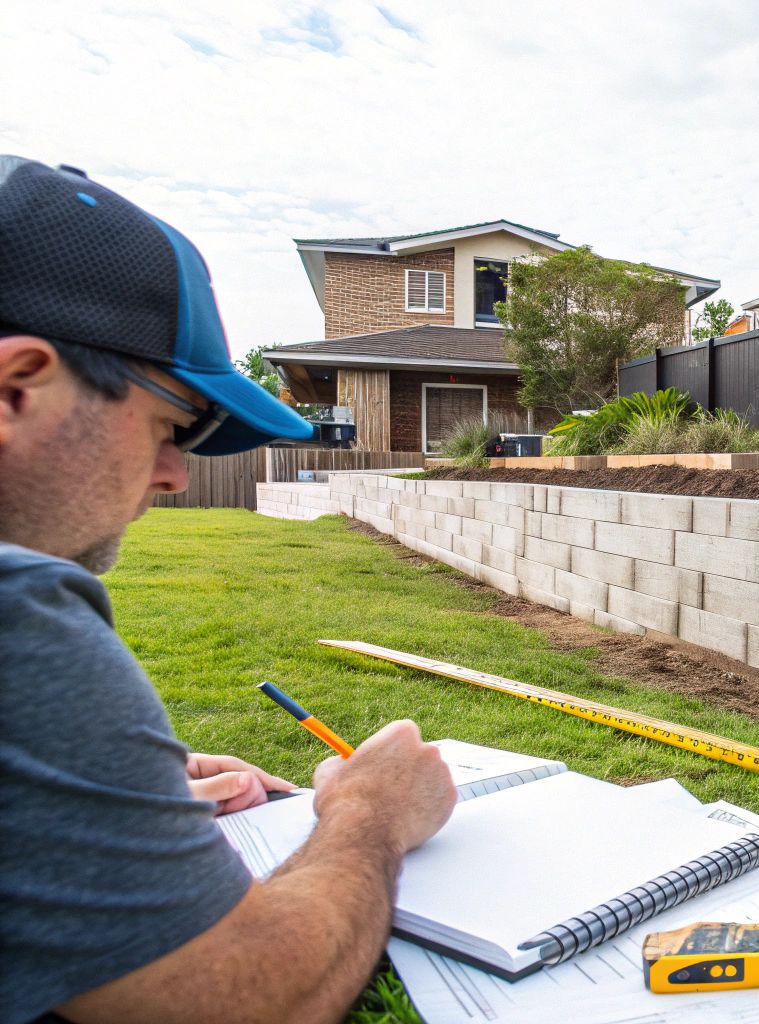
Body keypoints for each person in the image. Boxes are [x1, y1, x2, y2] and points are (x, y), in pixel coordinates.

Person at [0, 155, 460, 1024]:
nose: (176, 473)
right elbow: (236, 1000)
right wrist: (368, 813)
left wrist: (86, 794)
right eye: (171, 423)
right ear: (17, 387)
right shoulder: (15, 613)